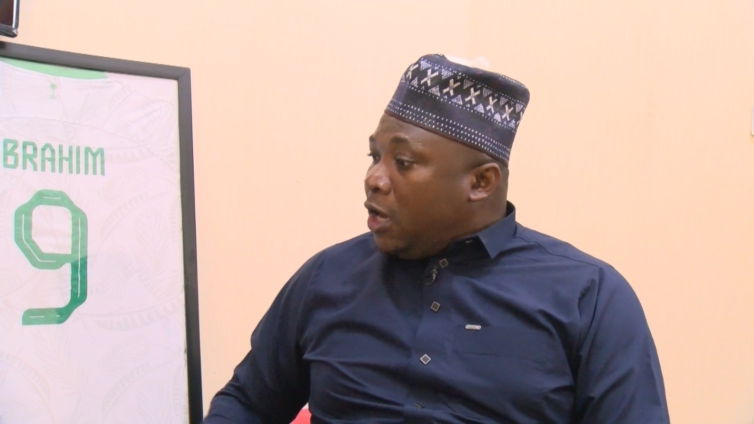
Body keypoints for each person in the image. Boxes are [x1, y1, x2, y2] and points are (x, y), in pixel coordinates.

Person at [204, 54, 669, 423]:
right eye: (374, 156)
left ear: (481, 183)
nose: (374, 179)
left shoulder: (589, 297)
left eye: (403, 163)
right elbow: (246, 403)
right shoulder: (327, 277)